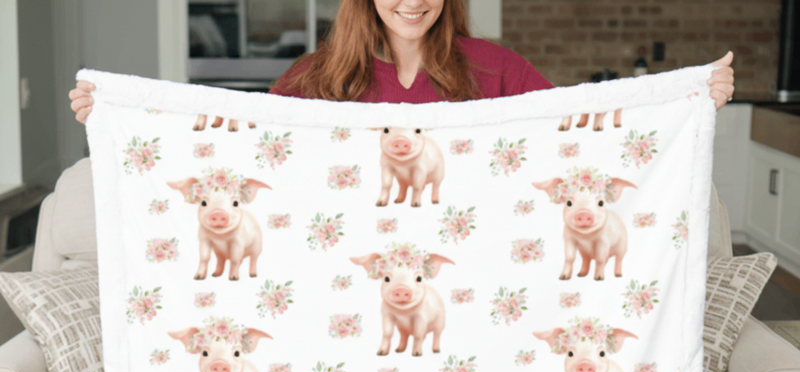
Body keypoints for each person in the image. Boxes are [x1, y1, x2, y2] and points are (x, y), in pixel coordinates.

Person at [70, 0, 734, 118]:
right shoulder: (315, 77)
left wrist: (685, 98)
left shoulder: (497, 68)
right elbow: (237, 141)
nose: (413, 2)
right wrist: (120, 110)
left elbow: (580, 125)